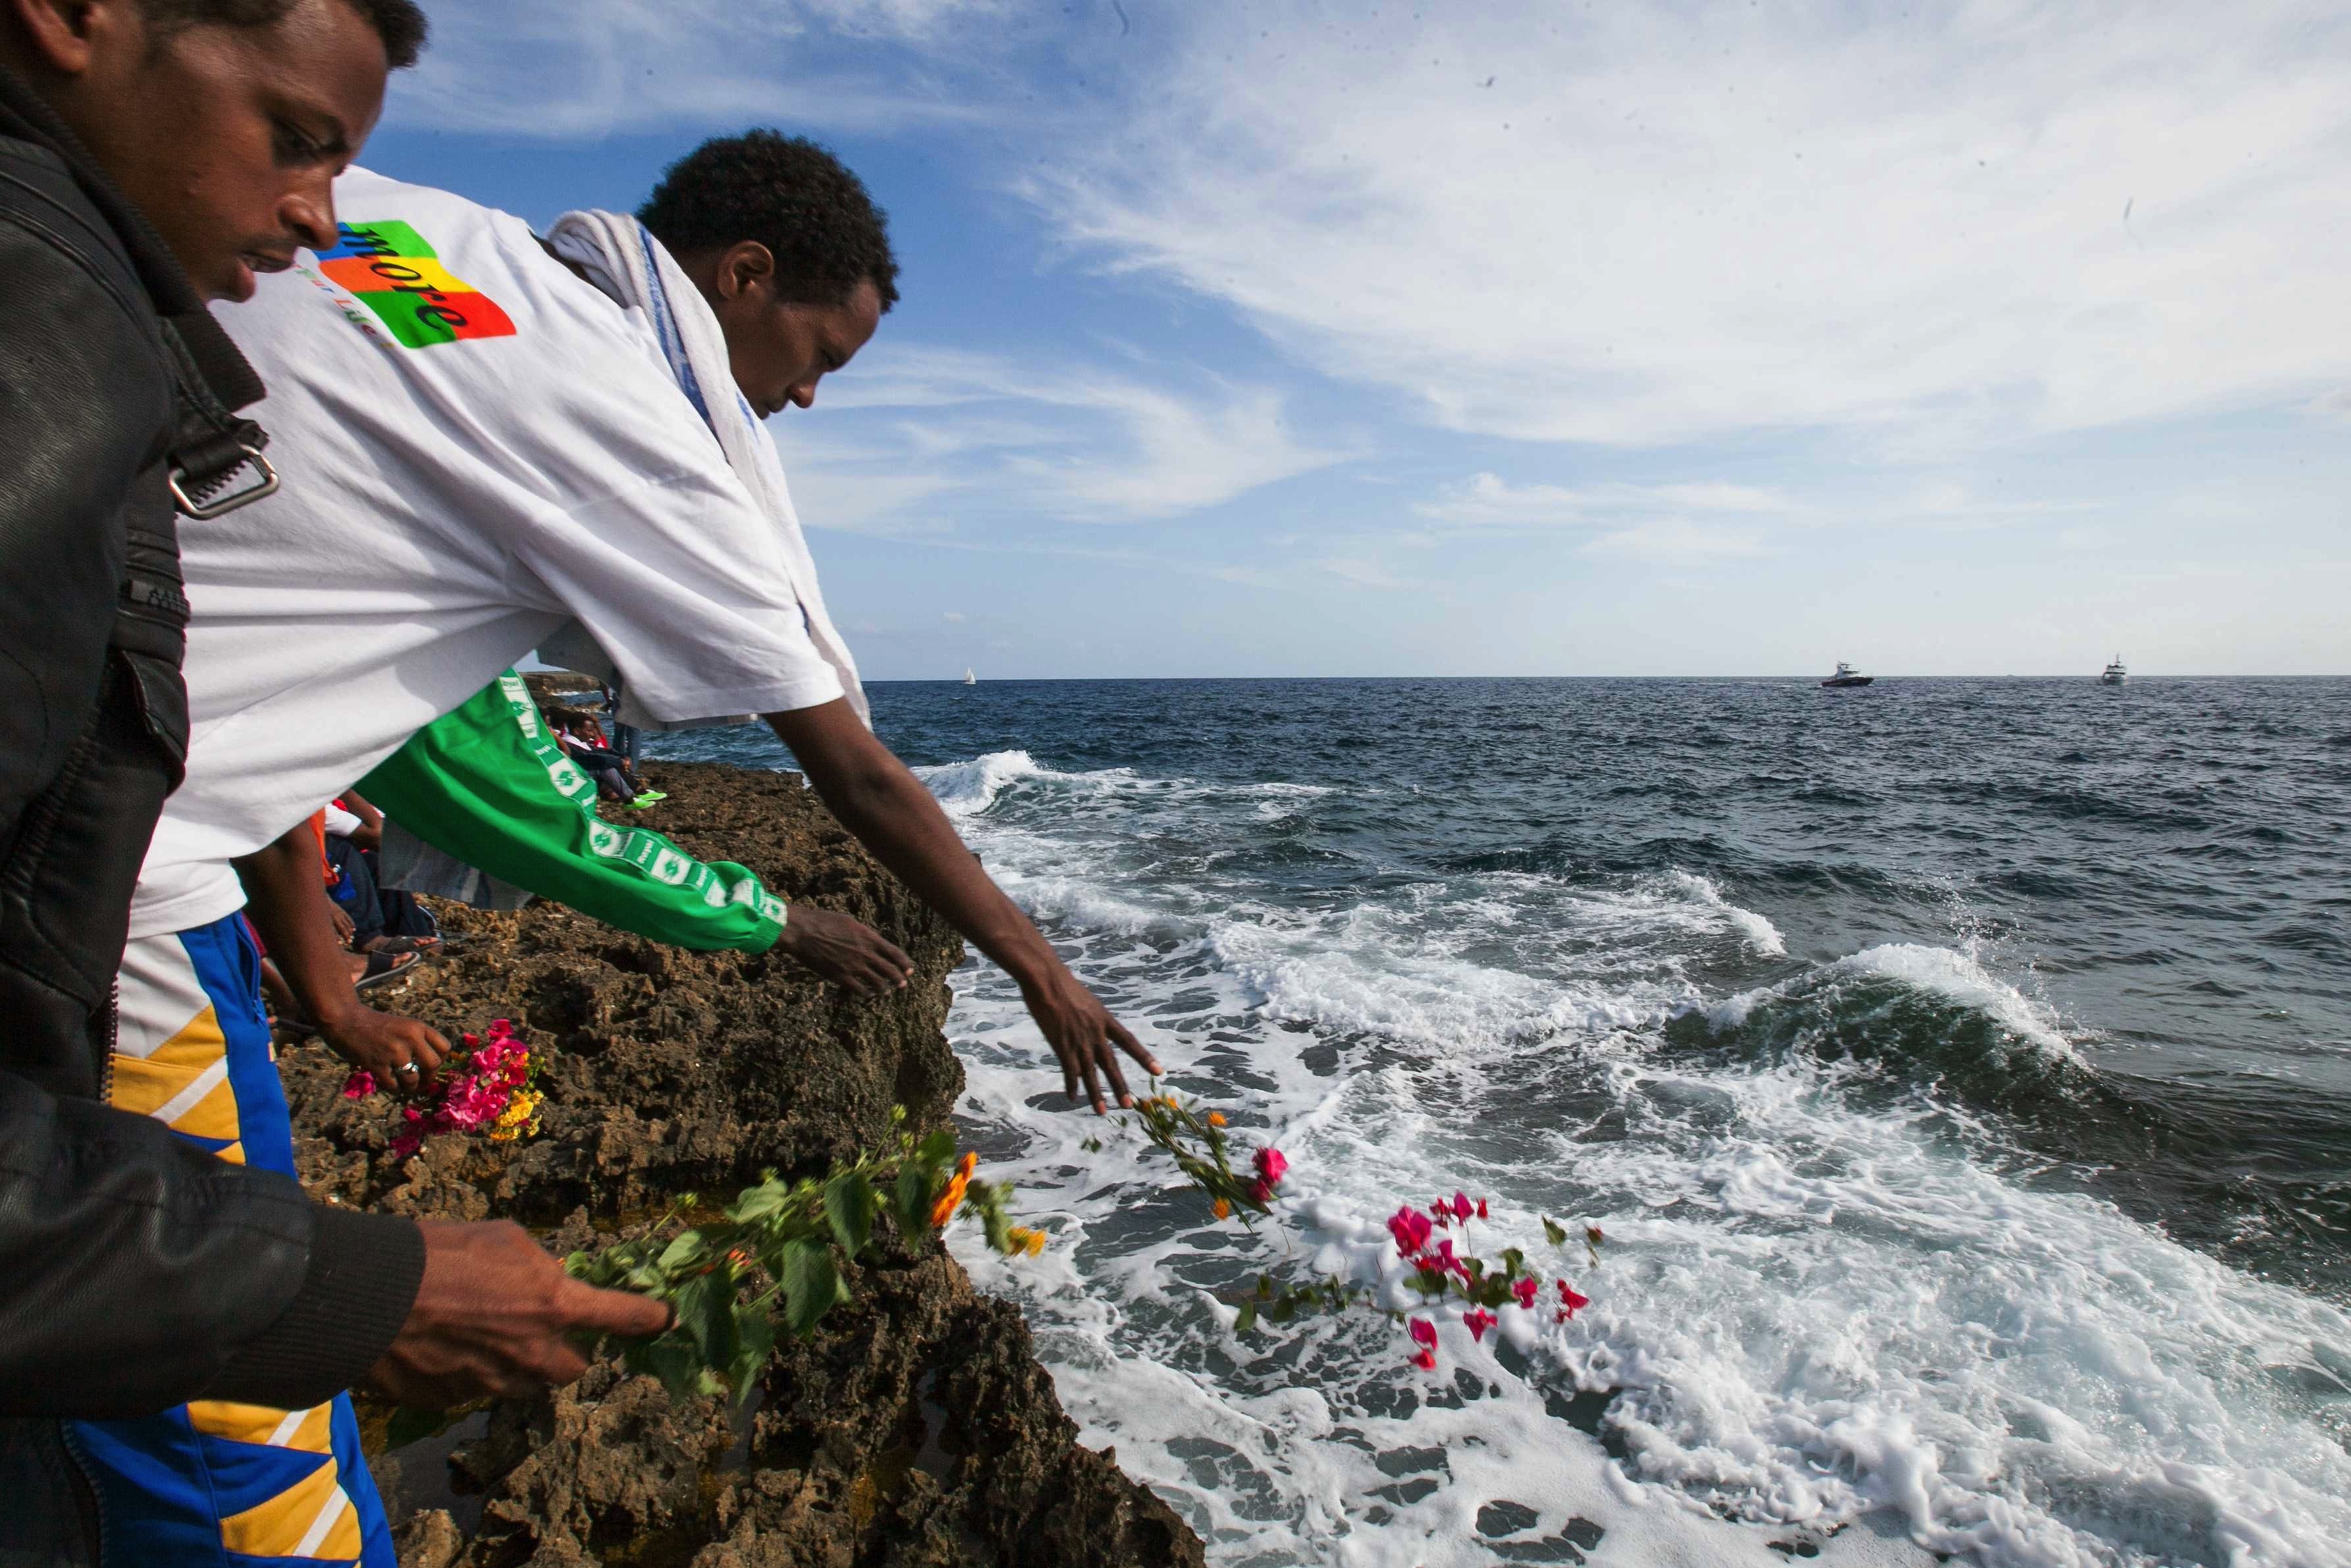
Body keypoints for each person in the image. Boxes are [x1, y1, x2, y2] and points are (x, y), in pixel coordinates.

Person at [0, 2, 667, 1561]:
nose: (320, 213)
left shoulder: (104, 328)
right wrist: (349, 1287)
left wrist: (321, 974)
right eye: (296, 136)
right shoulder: (41, 340)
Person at [131, 131, 1164, 1133]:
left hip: (109, 712)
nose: (804, 396)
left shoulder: (413, 234)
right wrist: (1044, 974)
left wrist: (331, 996)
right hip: (120, 871)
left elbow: (269, 650)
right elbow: (857, 775)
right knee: (214, 1263)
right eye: (822, 359)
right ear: (744, 276)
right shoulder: (624, 424)